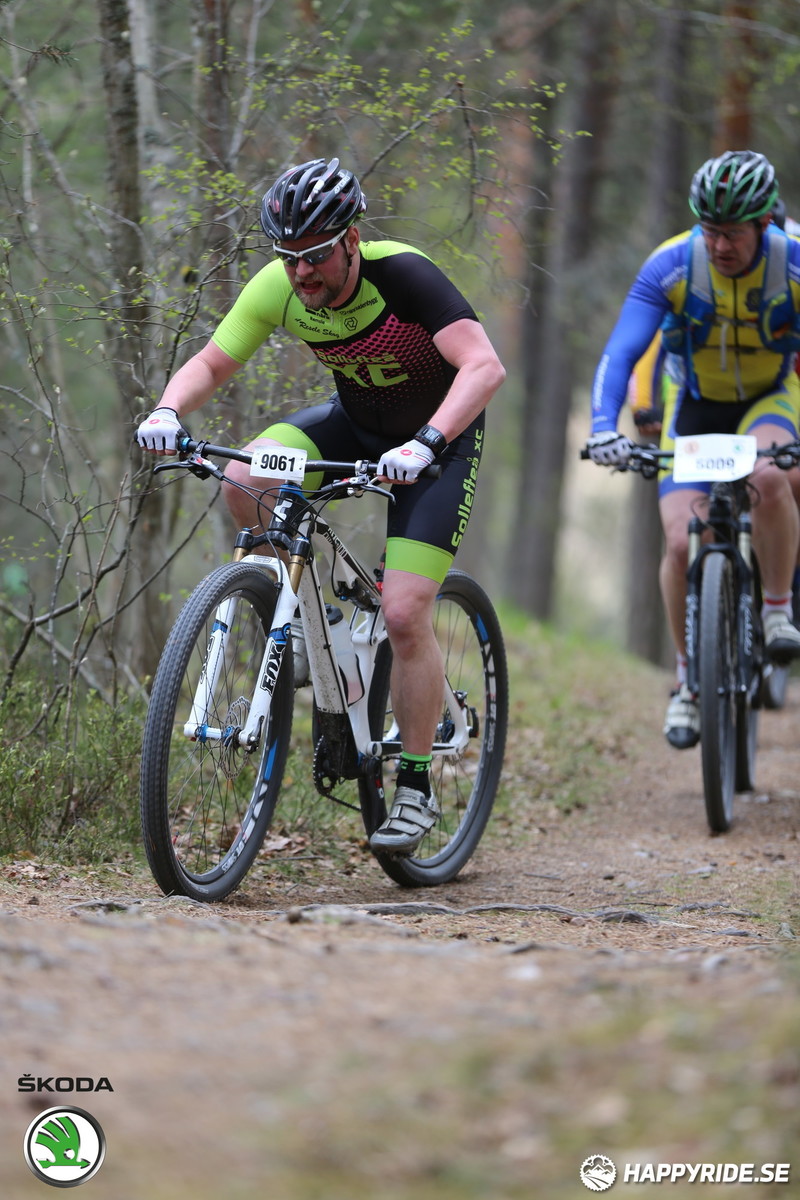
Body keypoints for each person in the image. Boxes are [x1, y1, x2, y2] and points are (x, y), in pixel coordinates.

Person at [136, 157, 505, 853]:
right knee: (245, 476)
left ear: (351, 241)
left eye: (313, 258)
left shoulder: (404, 276)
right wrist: (167, 410)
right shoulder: (280, 287)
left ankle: (417, 787)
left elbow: (484, 365)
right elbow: (213, 362)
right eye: (288, 259)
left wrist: (427, 442)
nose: (301, 274)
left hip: (439, 442)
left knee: (403, 612)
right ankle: (310, 620)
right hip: (356, 424)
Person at [586, 149, 800, 750]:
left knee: (769, 476)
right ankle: (687, 681)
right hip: (696, 405)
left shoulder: (794, 264)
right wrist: (605, 425)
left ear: (764, 224)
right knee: (681, 540)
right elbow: (621, 350)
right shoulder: (674, 264)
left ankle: (777, 607)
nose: (719, 245)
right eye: (709, 231)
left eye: (731, 232)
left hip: (770, 398)